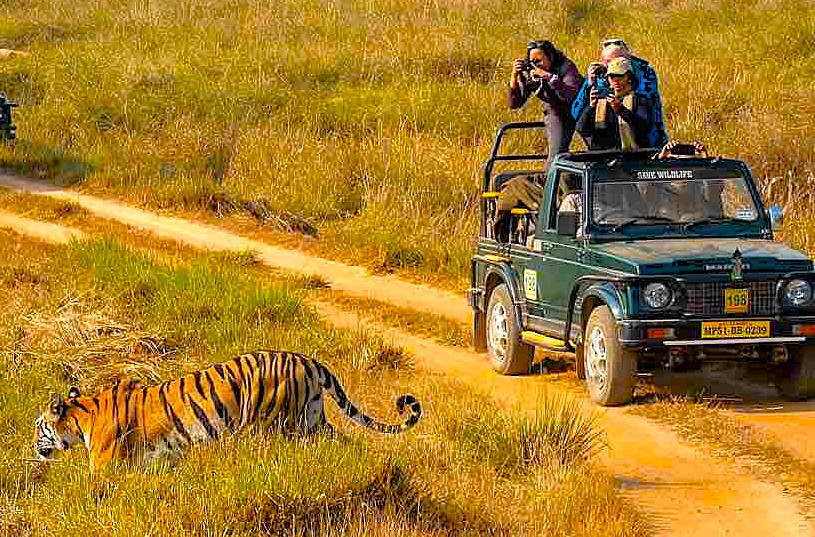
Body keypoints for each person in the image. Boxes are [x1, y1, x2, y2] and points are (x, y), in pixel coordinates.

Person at [571, 39, 667, 148]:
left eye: (620, 60)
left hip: (644, 144)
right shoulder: (598, 77)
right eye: (609, 62)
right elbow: (577, 116)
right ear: (602, 62)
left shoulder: (645, 73)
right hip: (608, 148)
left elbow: (644, 119)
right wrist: (589, 87)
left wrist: (619, 108)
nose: (614, 64)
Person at [508, 40, 583, 169]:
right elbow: (515, 103)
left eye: (539, 61)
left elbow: (570, 96)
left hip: (580, 107)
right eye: (532, 61)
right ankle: (551, 184)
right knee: (556, 154)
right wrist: (514, 76)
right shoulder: (530, 72)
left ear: (551, 57)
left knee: (596, 149)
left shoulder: (566, 67)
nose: (536, 66)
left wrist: (550, 78)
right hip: (555, 111)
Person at [576, 57, 655, 151]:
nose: (616, 80)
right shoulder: (601, 102)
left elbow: (644, 127)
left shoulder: (640, 101)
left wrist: (621, 110)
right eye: (612, 76)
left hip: (633, 158)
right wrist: (591, 107)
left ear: (629, 77)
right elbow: (582, 129)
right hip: (604, 158)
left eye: (620, 76)